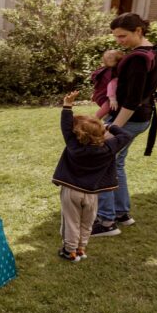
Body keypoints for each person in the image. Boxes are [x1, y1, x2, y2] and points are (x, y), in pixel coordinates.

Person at [93, 13, 157, 237]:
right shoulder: (155, 51)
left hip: (128, 118)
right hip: (141, 118)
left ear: (138, 31)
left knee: (103, 162)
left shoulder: (136, 59)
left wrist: (111, 128)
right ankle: (121, 213)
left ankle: (106, 222)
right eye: (116, 37)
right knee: (117, 163)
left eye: (123, 36)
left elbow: (132, 100)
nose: (119, 42)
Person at [53, 90, 133, 261]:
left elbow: (66, 128)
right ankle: (81, 249)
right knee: (87, 222)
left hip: (71, 192)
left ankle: (69, 251)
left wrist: (67, 106)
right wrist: (109, 126)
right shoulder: (109, 147)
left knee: (71, 221)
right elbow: (125, 135)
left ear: (77, 135)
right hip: (92, 193)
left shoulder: (74, 147)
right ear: (101, 133)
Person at [90, 49, 123, 120]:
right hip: (104, 95)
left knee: (110, 108)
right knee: (107, 107)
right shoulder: (113, 72)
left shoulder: (105, 70)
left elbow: (97, 83)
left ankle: (106, 116)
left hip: (100, 94)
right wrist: (112, 99)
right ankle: (93, 120)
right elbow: (111, 85)